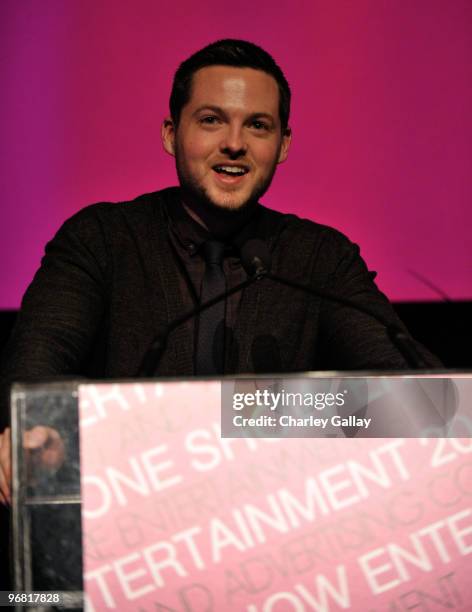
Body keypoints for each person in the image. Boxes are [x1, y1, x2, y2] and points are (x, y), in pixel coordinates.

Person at [0, 39, 440, 502]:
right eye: (211, 121)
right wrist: (32, 429)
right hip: (120, 516)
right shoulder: (102, 239)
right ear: (171, 134)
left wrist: (244, 414)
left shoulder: (321, 258)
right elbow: (36, 366)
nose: (234, 144)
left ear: (283, 144)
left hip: (279, 525)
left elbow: (414, 394)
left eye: (258, 125)